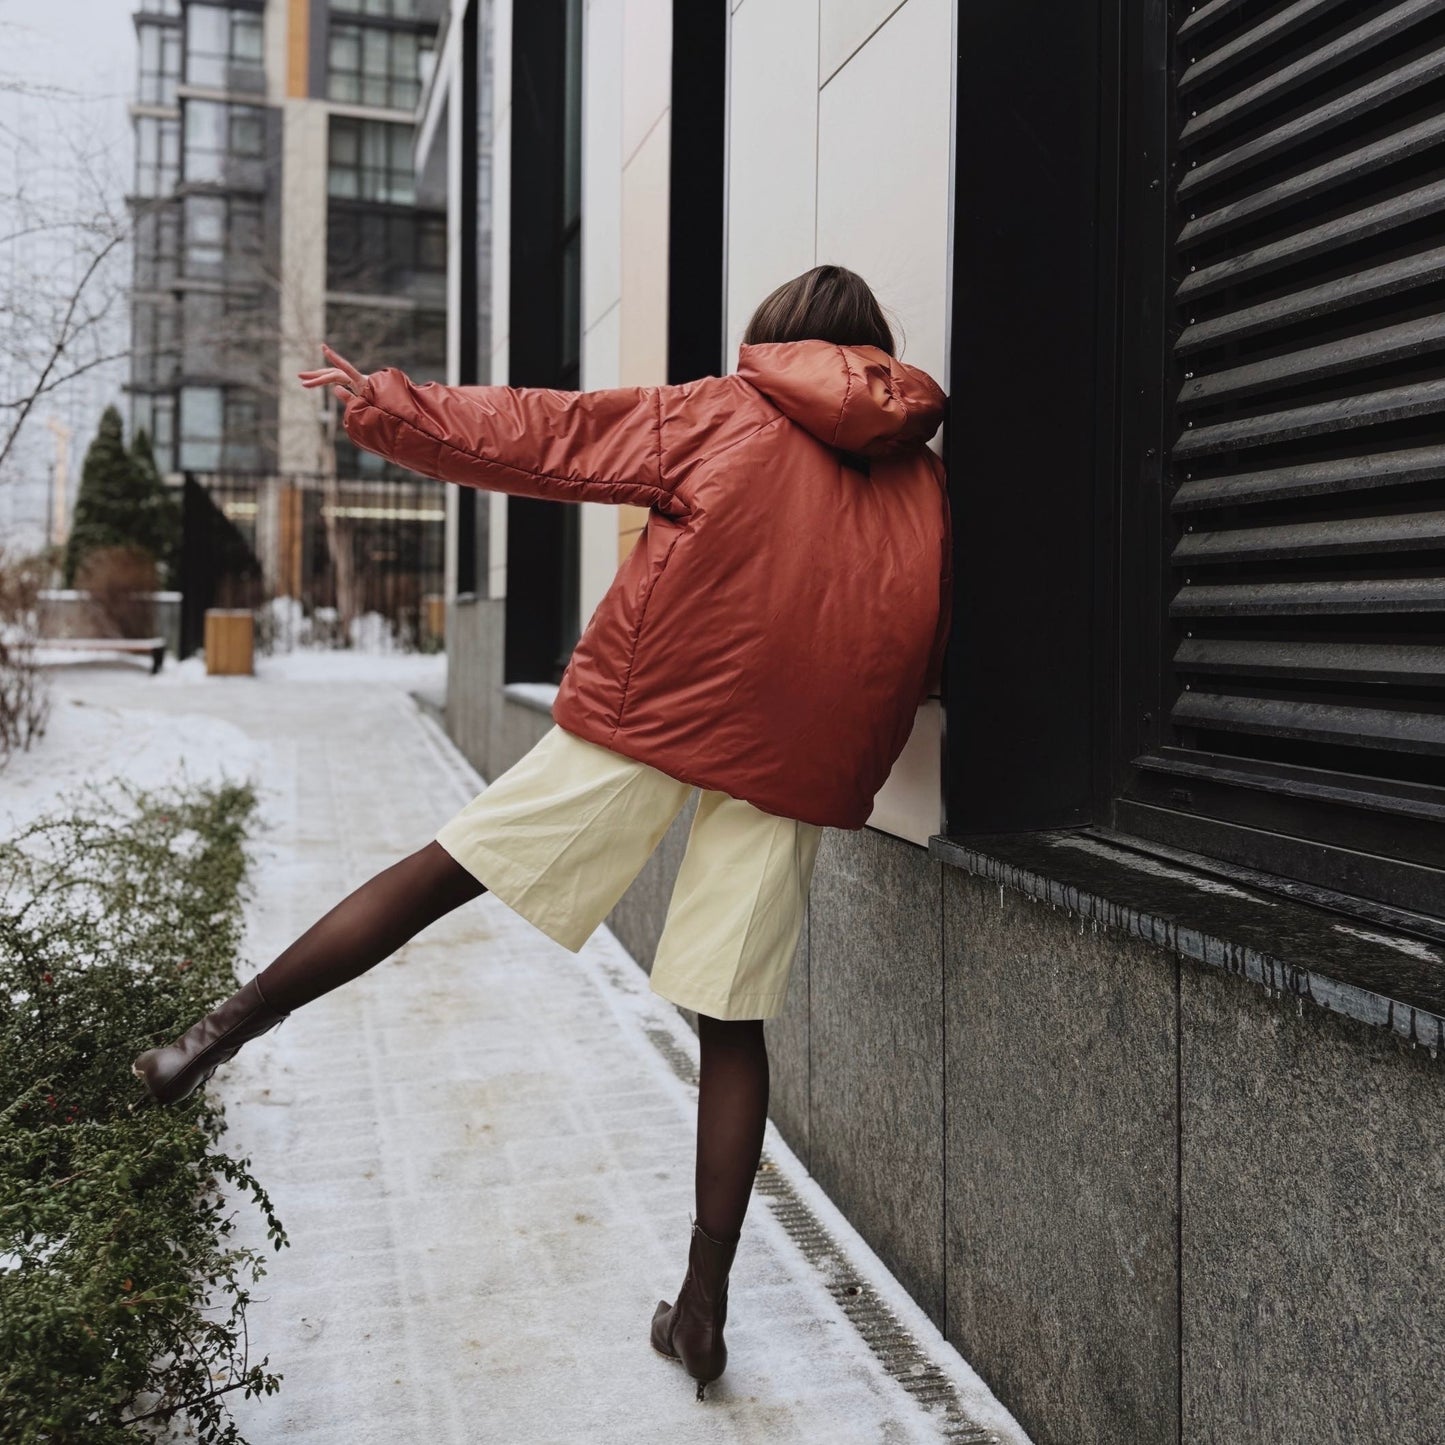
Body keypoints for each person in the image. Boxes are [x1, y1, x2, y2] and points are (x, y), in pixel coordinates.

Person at [132, 263, 952, 1401]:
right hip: (790, 766)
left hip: (648, 713)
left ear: (774, 340)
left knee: (442, 870)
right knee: (729, 1020)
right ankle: (703, 1306)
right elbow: (922, 636)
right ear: (870, 349)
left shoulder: (724, 408)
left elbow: (547, 438)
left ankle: (210, 1035)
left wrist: (385, 403)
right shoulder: (919, 480)